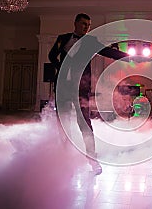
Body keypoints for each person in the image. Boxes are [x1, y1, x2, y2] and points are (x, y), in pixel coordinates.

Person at [48, 13, 129, 175]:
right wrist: (61, 67)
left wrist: (127, 56)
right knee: (62, 125)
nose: (86, 27)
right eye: (84, 23)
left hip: (81, 89)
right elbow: (51, 56)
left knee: (84, 125)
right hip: (63, 88)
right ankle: (63, 160)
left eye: (89, 25)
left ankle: (93, 161)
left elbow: (107, 51)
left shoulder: (90, 42)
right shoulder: (63, 38)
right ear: (76, 23)